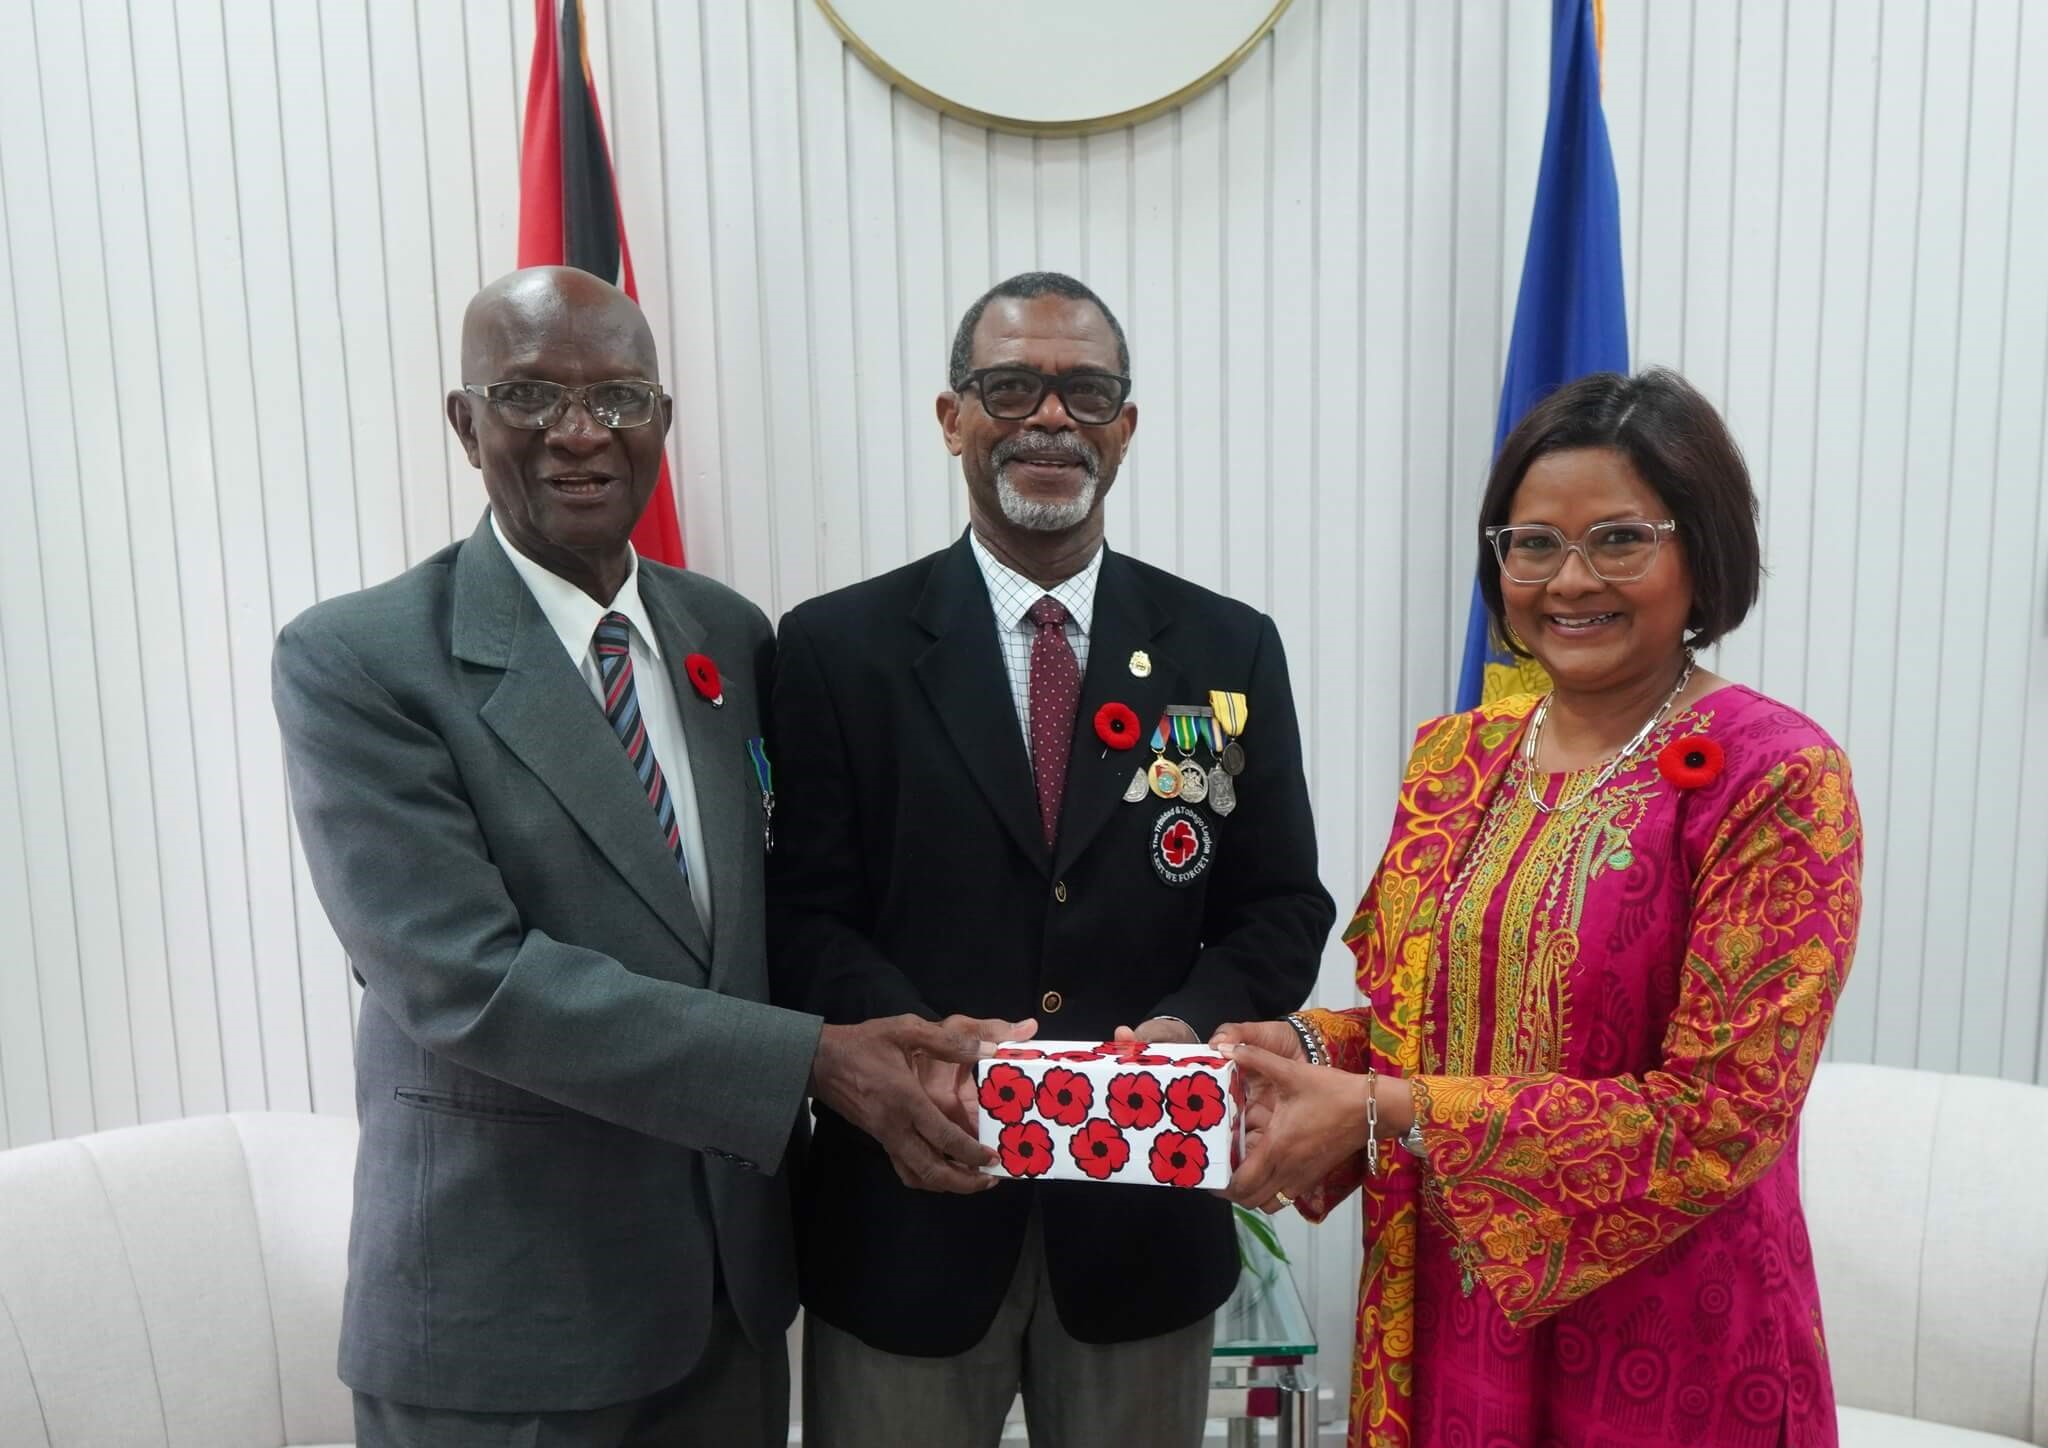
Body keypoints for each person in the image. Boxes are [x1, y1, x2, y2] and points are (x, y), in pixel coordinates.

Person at [272, 266, 1008, 1448]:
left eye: (619, 397)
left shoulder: (729, 634)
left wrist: (919, 1026)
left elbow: (774, 912)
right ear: (464, 424)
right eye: (529, 394)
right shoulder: (360, 661)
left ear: (662, 421)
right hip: (507, 1325)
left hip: (728, 1306)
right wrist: (814, 1060)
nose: (580, 433)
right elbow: (470, 979)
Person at [1218, 368, 1863, 1448]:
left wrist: (1384, 1107)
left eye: (1617, 539)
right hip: (1443, 1311)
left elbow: (1719, 1116)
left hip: (1669, 1336)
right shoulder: (1454, 756)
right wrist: (1287, 1049)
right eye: (1529, 543)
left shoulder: (1776, 775)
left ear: (1699, 552)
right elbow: (1430, 1027)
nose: (1567, 580)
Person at [767, 271, 1335, 1447]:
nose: (1048, 418)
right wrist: (916, 1042)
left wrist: (1191, 1023)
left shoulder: (1226, 647)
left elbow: (1279, 903)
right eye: (1011, 385)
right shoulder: (834, 648)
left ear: (1124, 424)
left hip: (1141, 1222)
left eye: (1085, 391)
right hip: (908, 1208)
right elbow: (801, 915)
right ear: (951, 415)